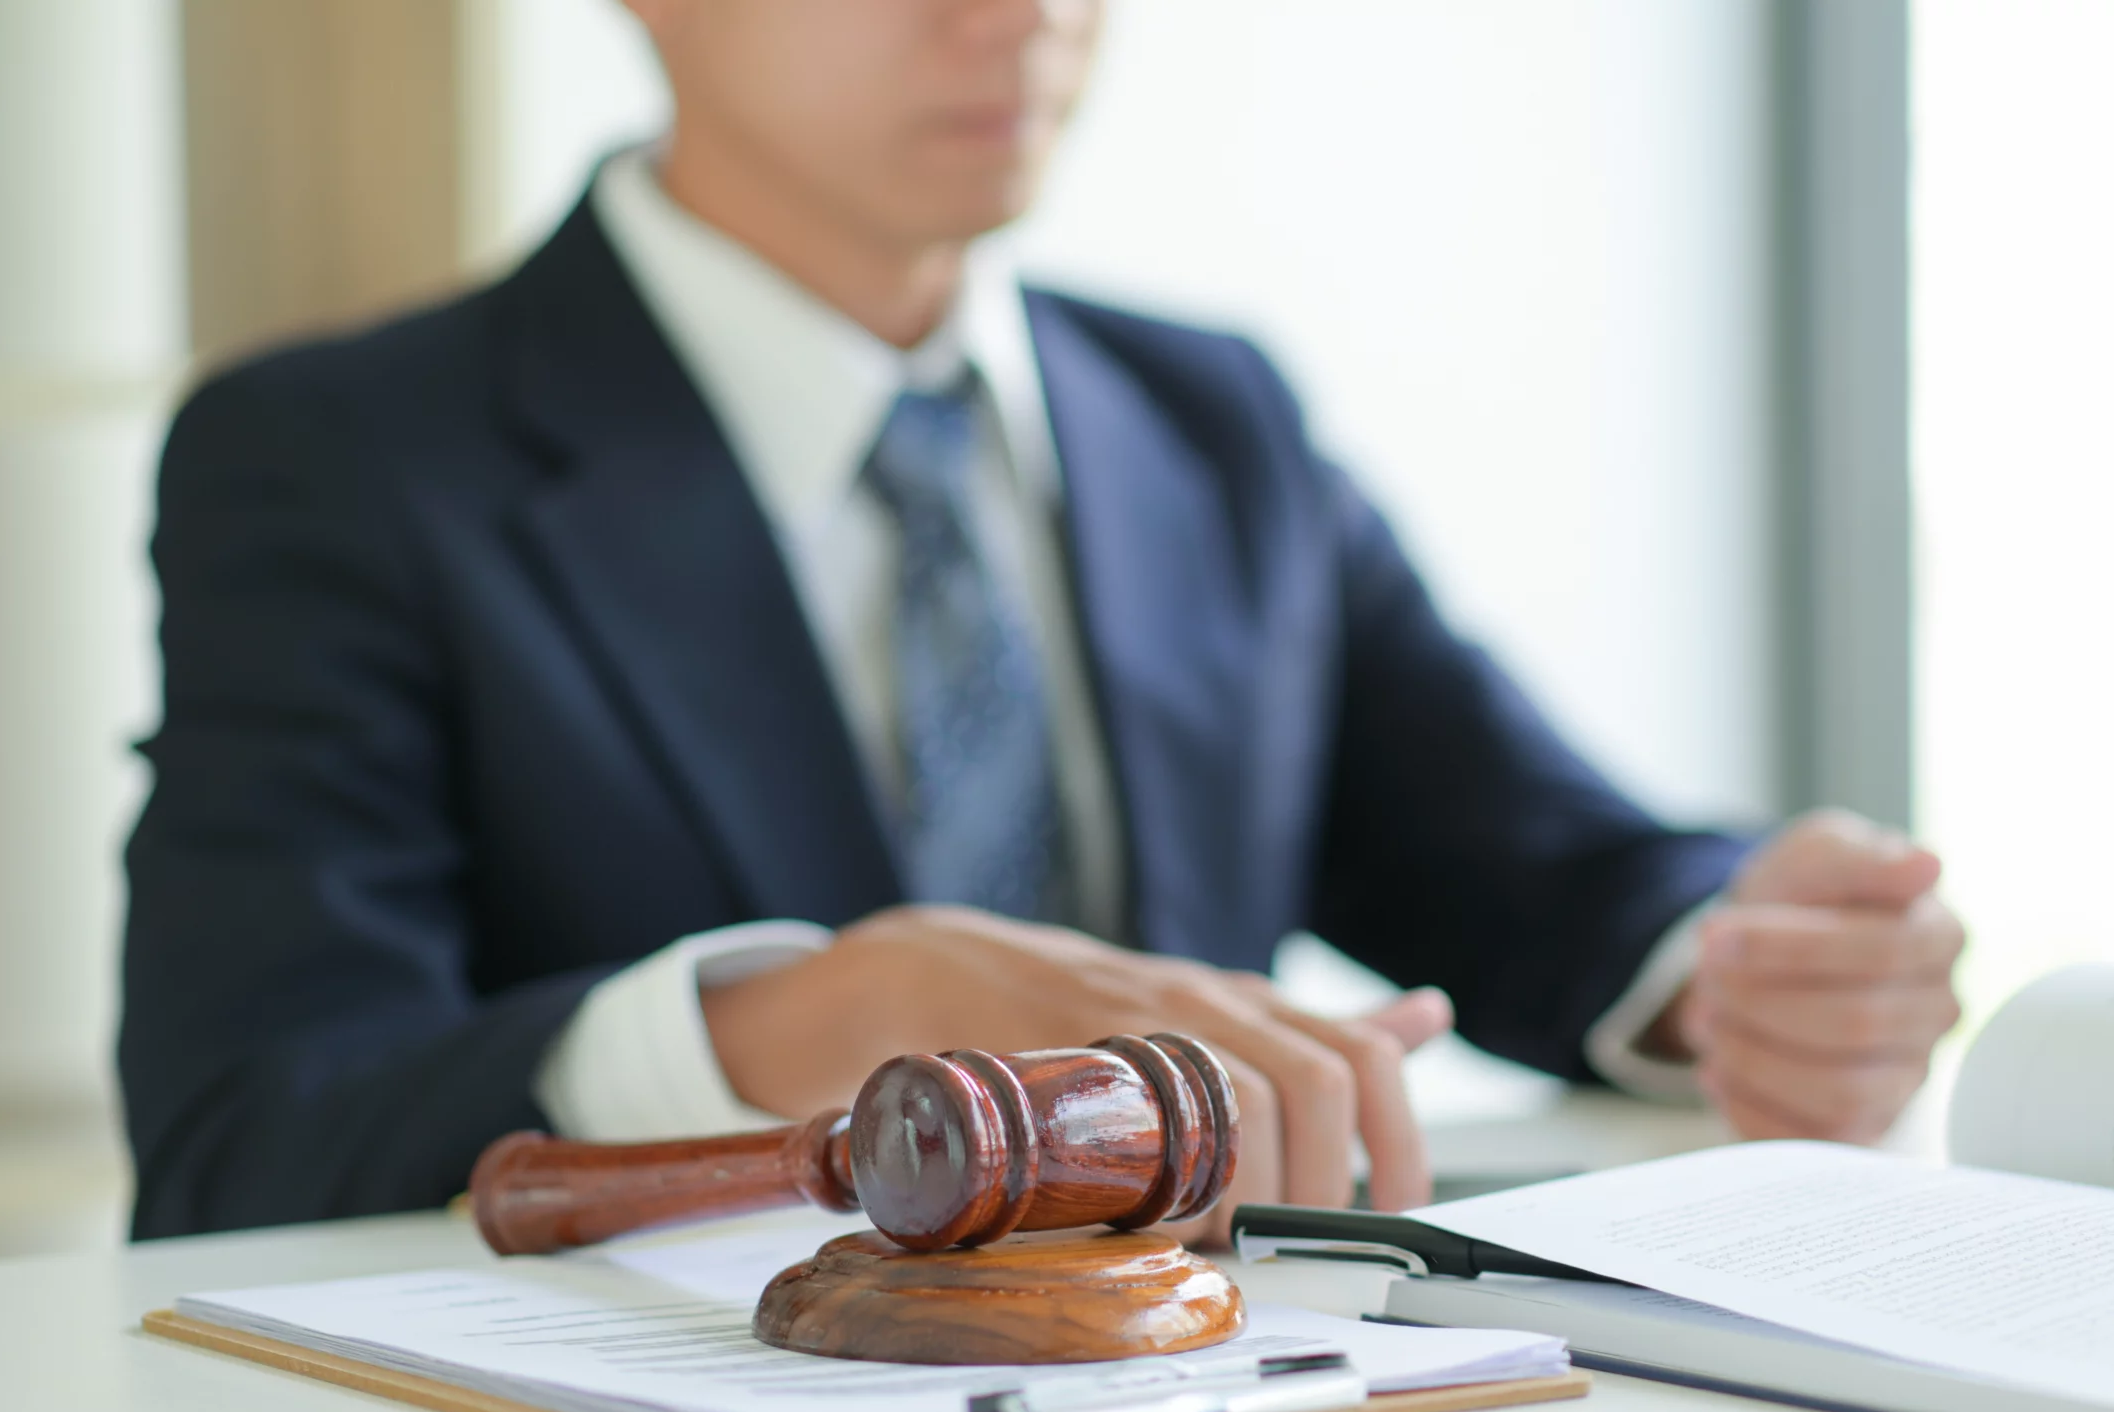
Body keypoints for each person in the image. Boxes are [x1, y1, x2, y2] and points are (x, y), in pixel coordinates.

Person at [119, 0, 1964, 1241]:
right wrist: (807, 1013)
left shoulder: (1209, 421)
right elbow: (250, 1132)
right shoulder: (341, 461)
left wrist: (1744, 970)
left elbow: (1532, 866)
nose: (1018, 13)